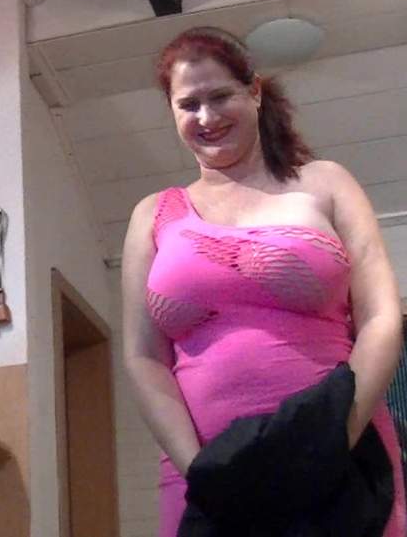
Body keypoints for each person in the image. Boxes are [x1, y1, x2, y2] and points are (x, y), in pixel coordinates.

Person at [121, 27, 406, 536]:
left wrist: (331, 440)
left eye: (220, 96)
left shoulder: (325, 182)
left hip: (338, 457)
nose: (206, 117)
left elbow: (381, 318)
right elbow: (144, 355)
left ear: (254, 91)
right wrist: (203, 472)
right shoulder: (153, 215)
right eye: (188, 104)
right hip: (209, 478)